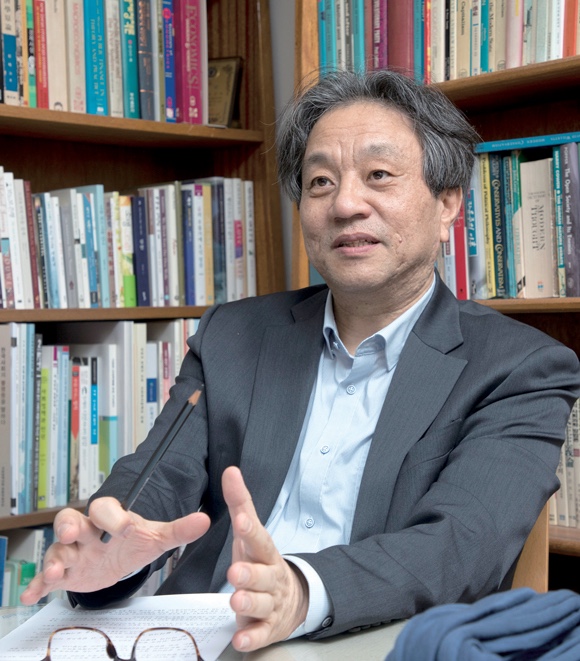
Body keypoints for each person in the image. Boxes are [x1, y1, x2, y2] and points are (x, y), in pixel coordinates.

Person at [22, 69, 580, 653]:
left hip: (376, 641)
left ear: (447, 205)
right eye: (320, 182)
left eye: (379, 175)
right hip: (207, 636)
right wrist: (108, 549)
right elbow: (160, 475)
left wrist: (301, 590)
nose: (345, 204)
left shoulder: (521, 366)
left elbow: (462, 546)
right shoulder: (233, 334)